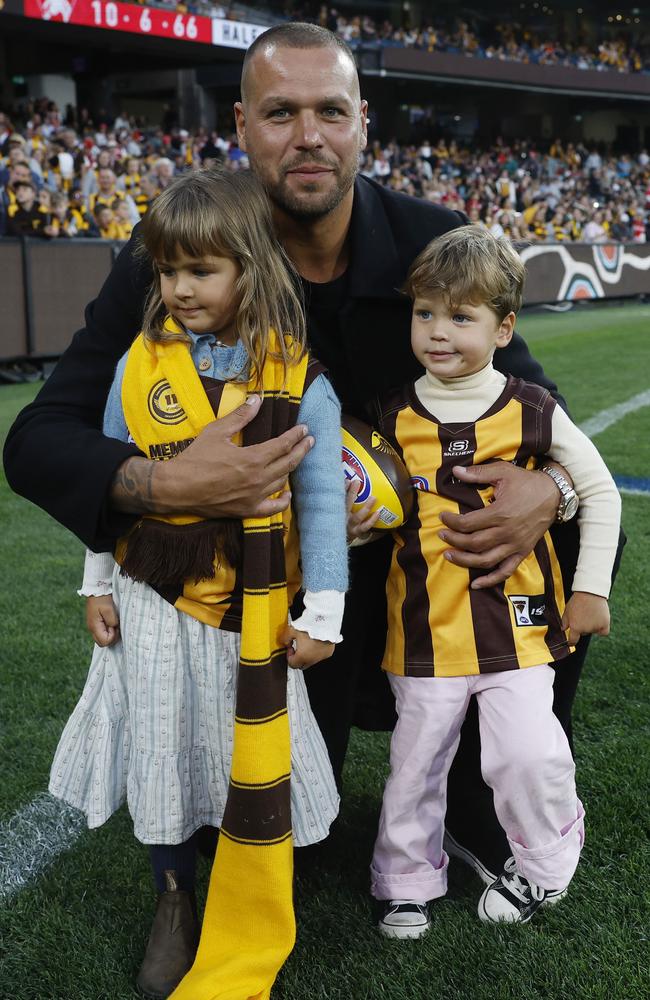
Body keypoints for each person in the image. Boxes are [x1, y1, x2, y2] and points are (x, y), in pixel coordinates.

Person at [4, 23, 608, 900]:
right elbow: (39, 438)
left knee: (581, 524)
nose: (309, 135)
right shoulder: (178, 257)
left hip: (425, 565)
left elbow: (550, 422)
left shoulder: (437, 245)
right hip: (266, 580)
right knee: (291, 846)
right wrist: (170, 481)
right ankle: (212, 811)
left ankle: (483, 794)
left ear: (364, 122)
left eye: (330, 110)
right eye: (281, 113)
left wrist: (546, 492)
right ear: (242, 126)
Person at [48, 169, 348, 998]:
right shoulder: (137, 365)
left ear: (250, 266)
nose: (179, 289)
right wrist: (94, 583)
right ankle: (173, 897)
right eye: (168, 270)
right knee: (161, 745)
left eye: (201, 270)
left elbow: (322, 504)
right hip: (151, 598)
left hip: (250, 611)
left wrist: (323, 609)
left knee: (237, 748)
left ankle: (241, 885)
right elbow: (114, 481)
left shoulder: (297, 377)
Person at [366, 226, 620, 936]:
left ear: (504, 327)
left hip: (520, 626)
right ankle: (407, 877)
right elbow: (361, 504)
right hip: (423, 631)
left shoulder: (531, 407)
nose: (438, 332)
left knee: (527, 752)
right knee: (416, 762)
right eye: (425, 313)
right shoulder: (389, 416)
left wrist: (591, 589)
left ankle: (544, 863)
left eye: (461, 315)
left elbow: (599, 489)